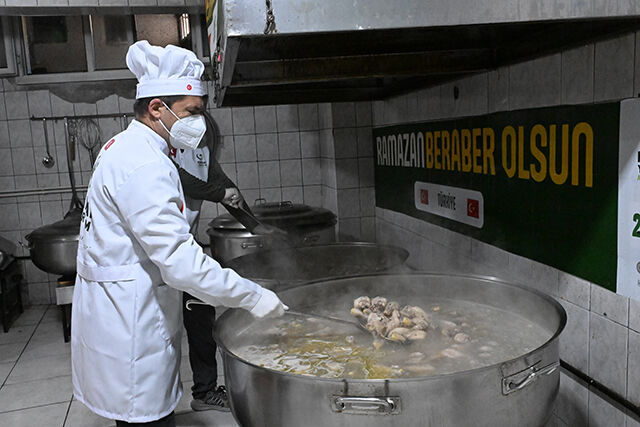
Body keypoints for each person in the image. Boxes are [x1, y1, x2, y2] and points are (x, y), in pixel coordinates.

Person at [71, 40, 287, 427]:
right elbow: (181, 264)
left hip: (118, 310)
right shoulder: (144, 163)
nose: (199, 122)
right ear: (157, 108)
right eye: (192, 112)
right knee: (146, 418)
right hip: (131, 320)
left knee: (136, 417)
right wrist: (254, 297)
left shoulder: (124, 146)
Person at [172, 112, 273, 412]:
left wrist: (256, 226)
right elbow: (182, 180)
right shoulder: (161, 149)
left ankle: (204, 392)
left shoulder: (202, 152)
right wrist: (219, 193)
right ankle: (157, 402)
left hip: (184, 246)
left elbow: (226, 187)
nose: (203, 141)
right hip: (157, 252)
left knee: (200, 314)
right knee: (164, 330)